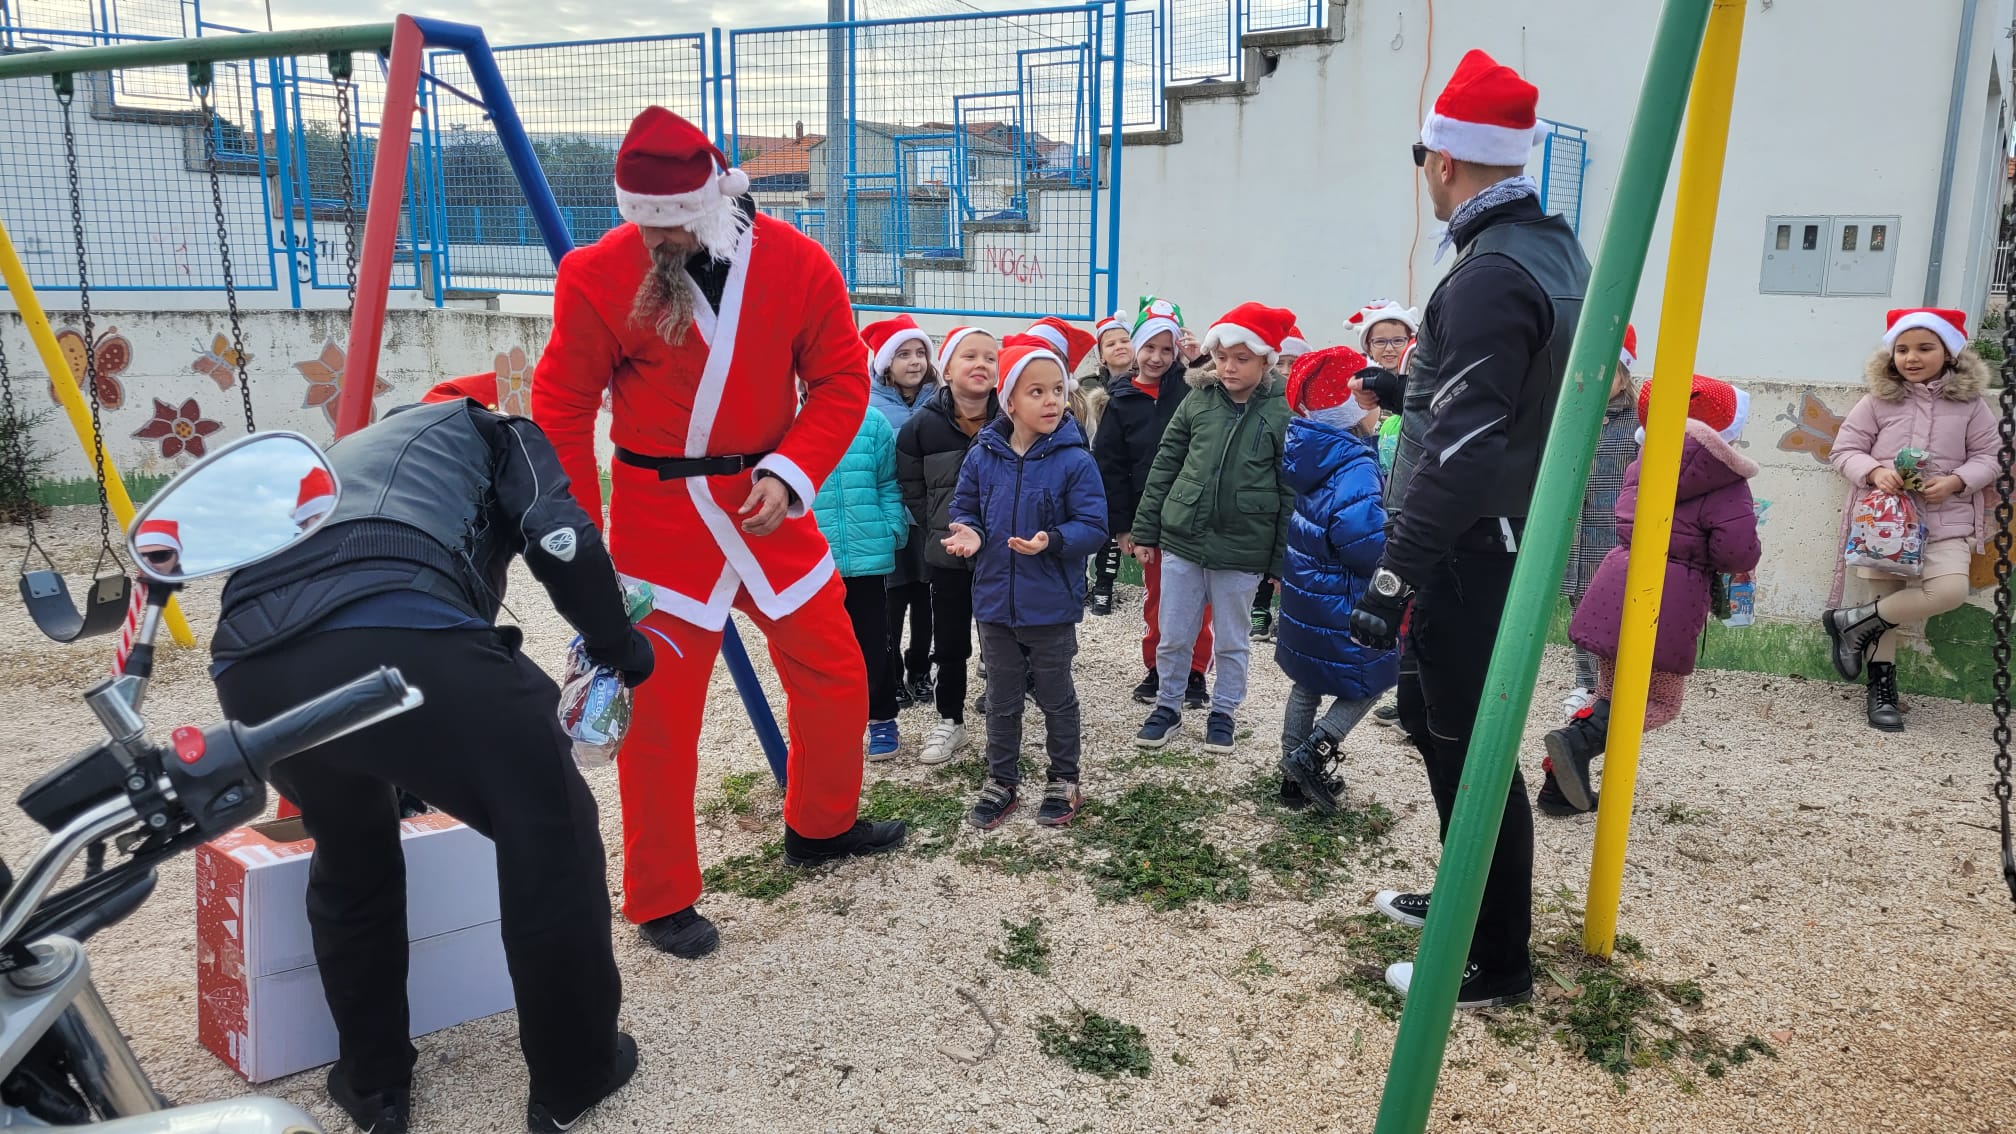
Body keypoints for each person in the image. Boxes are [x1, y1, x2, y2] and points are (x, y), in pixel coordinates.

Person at [209, 373, 655, 1134]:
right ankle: (574, 1073)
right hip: (401, 627)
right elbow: (560, 534)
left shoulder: (342, 451)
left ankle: (372, 1083)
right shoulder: (497, 430)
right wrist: (620, 644)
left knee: (351, 851)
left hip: (250, 667)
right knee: (549, 826)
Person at [531, 107, 906, 963]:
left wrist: (794, 471)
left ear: (713, 199)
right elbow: (560, 400)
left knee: (838, 669)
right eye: (644, 221)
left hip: (772, 501)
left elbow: (845, 379)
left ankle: (822, 825)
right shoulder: (597, 273)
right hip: (659, 520)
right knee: (659, 714)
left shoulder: (799, 264)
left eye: (671, 221)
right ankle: (661, 895)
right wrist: (573, 522)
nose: (657, 238)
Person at [1346, 49, 1589, 1010]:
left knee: (1470, 746)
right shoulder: (1551, 247)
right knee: (1432, 721)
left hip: (1470, 544)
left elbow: (1467, 447)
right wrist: (1415, 388)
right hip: (1503, 530)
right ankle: (1466, 903)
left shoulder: (1486, 274)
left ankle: (1492, 961)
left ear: (1443, 161)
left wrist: (1394, 574)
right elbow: (1509, 400)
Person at [1545, 374, 1763, 814]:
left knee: (1608, 693)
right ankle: (1577, 742)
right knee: (1661, 702)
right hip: (1670, 600)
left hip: (1617, 586)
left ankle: (1559, 788)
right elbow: (1735, 550)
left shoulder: (1643, 462)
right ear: (1726, 432)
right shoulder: (1726, 482)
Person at [943, 342, 1107, 829]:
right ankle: (1002, 780)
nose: (1052, 400)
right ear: (1009, 401)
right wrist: (968, 533)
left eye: (1058, 389)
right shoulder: (982, 455)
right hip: (994, 603)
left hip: (1051, 604)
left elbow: (1094, 525)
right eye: (1037, 391)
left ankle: (1064, 778)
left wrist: (1053, 540)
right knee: (1001, 698)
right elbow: (964, 509)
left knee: (1056, 696)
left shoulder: (1075, 461)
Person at [1822, 307, 2000, 731]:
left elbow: (1992, 457)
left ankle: (1851, 622)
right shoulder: (1878, 400)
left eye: (1925, 347)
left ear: (1950, 352)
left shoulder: (1971, 406)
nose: (1912, 357)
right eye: (1902, 349)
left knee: (1951, 589)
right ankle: (1882, 690)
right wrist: (1873, 471)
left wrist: (1957, 481)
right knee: (1887, 605)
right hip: (1885, 524)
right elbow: (1844, 450)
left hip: (1945, 521)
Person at [1131, 302, 1297, 755]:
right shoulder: (1198, 399)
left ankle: (1224, 711)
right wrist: (1146, 531)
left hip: (1244, 547)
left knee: (1232, 638)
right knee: (1174, 630)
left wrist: (1280, 559)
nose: (1228, 367)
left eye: (1241, 359)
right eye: (1222, 356)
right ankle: (1167, 705)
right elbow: (1165, 463)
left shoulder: (1282, 411)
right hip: (1183, 538)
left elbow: (1289, 489)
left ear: (1265, 360)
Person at [1273, 346, 1398, 812]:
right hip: (1345, 596)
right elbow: (1360, 540)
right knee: (1375, 676)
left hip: (1311, 592)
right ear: (1351, 411)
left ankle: (1291, 778)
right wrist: (1392, 549)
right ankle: (1313, 754)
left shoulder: (1312, 452)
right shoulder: (1355, 462)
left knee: (1307, 681)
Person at [1095, 296, 1212, 709]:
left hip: (1195, 514)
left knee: (1199, 601)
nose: (1157, 358)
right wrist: (1124, 525)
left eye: (1167, 349)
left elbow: (1225, 391)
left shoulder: (1192, 388)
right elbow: (1111, 467)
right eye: (1149, 347)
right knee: (1158, 598)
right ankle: (1158, 668)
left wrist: (1199, 361)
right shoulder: (1121, 399)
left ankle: (1195, 672)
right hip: (1150, 517)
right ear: (1135, 349)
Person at [896, 325, 1001, 764]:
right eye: (969, 356)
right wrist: (939, 529)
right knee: (951, 639)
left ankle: (1004, 712)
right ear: (949, 367)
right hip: (949, 555)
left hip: (1002, 552)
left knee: (1003, 638)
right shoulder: (922, 425)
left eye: (990, 358)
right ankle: (950, 718)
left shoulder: (1011, 419)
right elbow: (911, 485)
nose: (981, 365)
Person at [811, 382, 910, 760]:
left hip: (868, 555)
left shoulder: (872, 422)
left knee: (873, 643)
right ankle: (831, 723)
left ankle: (882, 718)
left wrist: (893, 528)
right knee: (820, 649)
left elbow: (887, 482)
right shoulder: (789, 423)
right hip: (816, 559)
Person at [1553, 325, 1644, 729]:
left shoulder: (1639, 421)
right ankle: (1585, 683)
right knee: (1582, 608)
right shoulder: (1570, 416)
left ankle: (1615, 686)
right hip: (1575, 532)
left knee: (1614, 611)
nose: (1597, 380)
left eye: (1608, 371)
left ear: (1624, 374)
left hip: (1614, 530)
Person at [865, 315, 939, 712]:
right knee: (891, 603)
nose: (914, 362)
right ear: (886, 363)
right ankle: (891, 675)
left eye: (920, 353)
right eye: (903, 354)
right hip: (893, 519)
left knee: (926, 600)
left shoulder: (939, 399)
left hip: (928, 518)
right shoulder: (870, 405)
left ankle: (920, 670)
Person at [1248, 323, 1316, 642]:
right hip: (1271, 493)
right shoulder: (1263, 402)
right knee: (1267, 547)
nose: (1287, 370)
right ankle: (1260, 607)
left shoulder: (1313, 406)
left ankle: (1289, 614)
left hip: (1304, 494)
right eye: (1282, 362)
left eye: (1294, 363)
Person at [1087, 311, 1135, 615]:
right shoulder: (1088, 387)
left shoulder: (1146, 383)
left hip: (1133, 465)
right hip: (1101, 466)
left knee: (1122, 526)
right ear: (1101, 356)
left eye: (1125, 340)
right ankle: (1100, 586)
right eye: (1111, 343)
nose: (1119, 346)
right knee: (1103, 527)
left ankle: (1107, 582)